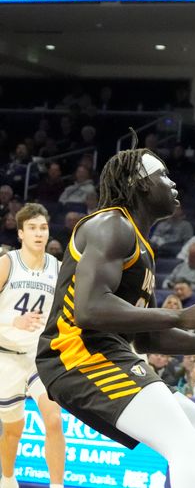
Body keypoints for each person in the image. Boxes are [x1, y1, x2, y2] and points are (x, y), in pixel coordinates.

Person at [35, 143, 195, 488]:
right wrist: (177, 316)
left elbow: (148, 337)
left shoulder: (140, 245)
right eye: (163, 175)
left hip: (111, 354)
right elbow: (89, 309)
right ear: (138, 183)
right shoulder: (110, 226)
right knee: (186, 445)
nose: (173, 184)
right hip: (76, 357)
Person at [0, 204, 64, 488]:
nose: (39, 234)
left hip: (39, 357)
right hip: (6, 356)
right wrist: (15, 321)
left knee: (53, 418)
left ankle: (57, 485)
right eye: (33, 229)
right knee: (14, 429)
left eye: (43, 228)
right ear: (21, 234)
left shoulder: (59, 268)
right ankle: (8, 478)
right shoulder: (7, 263)